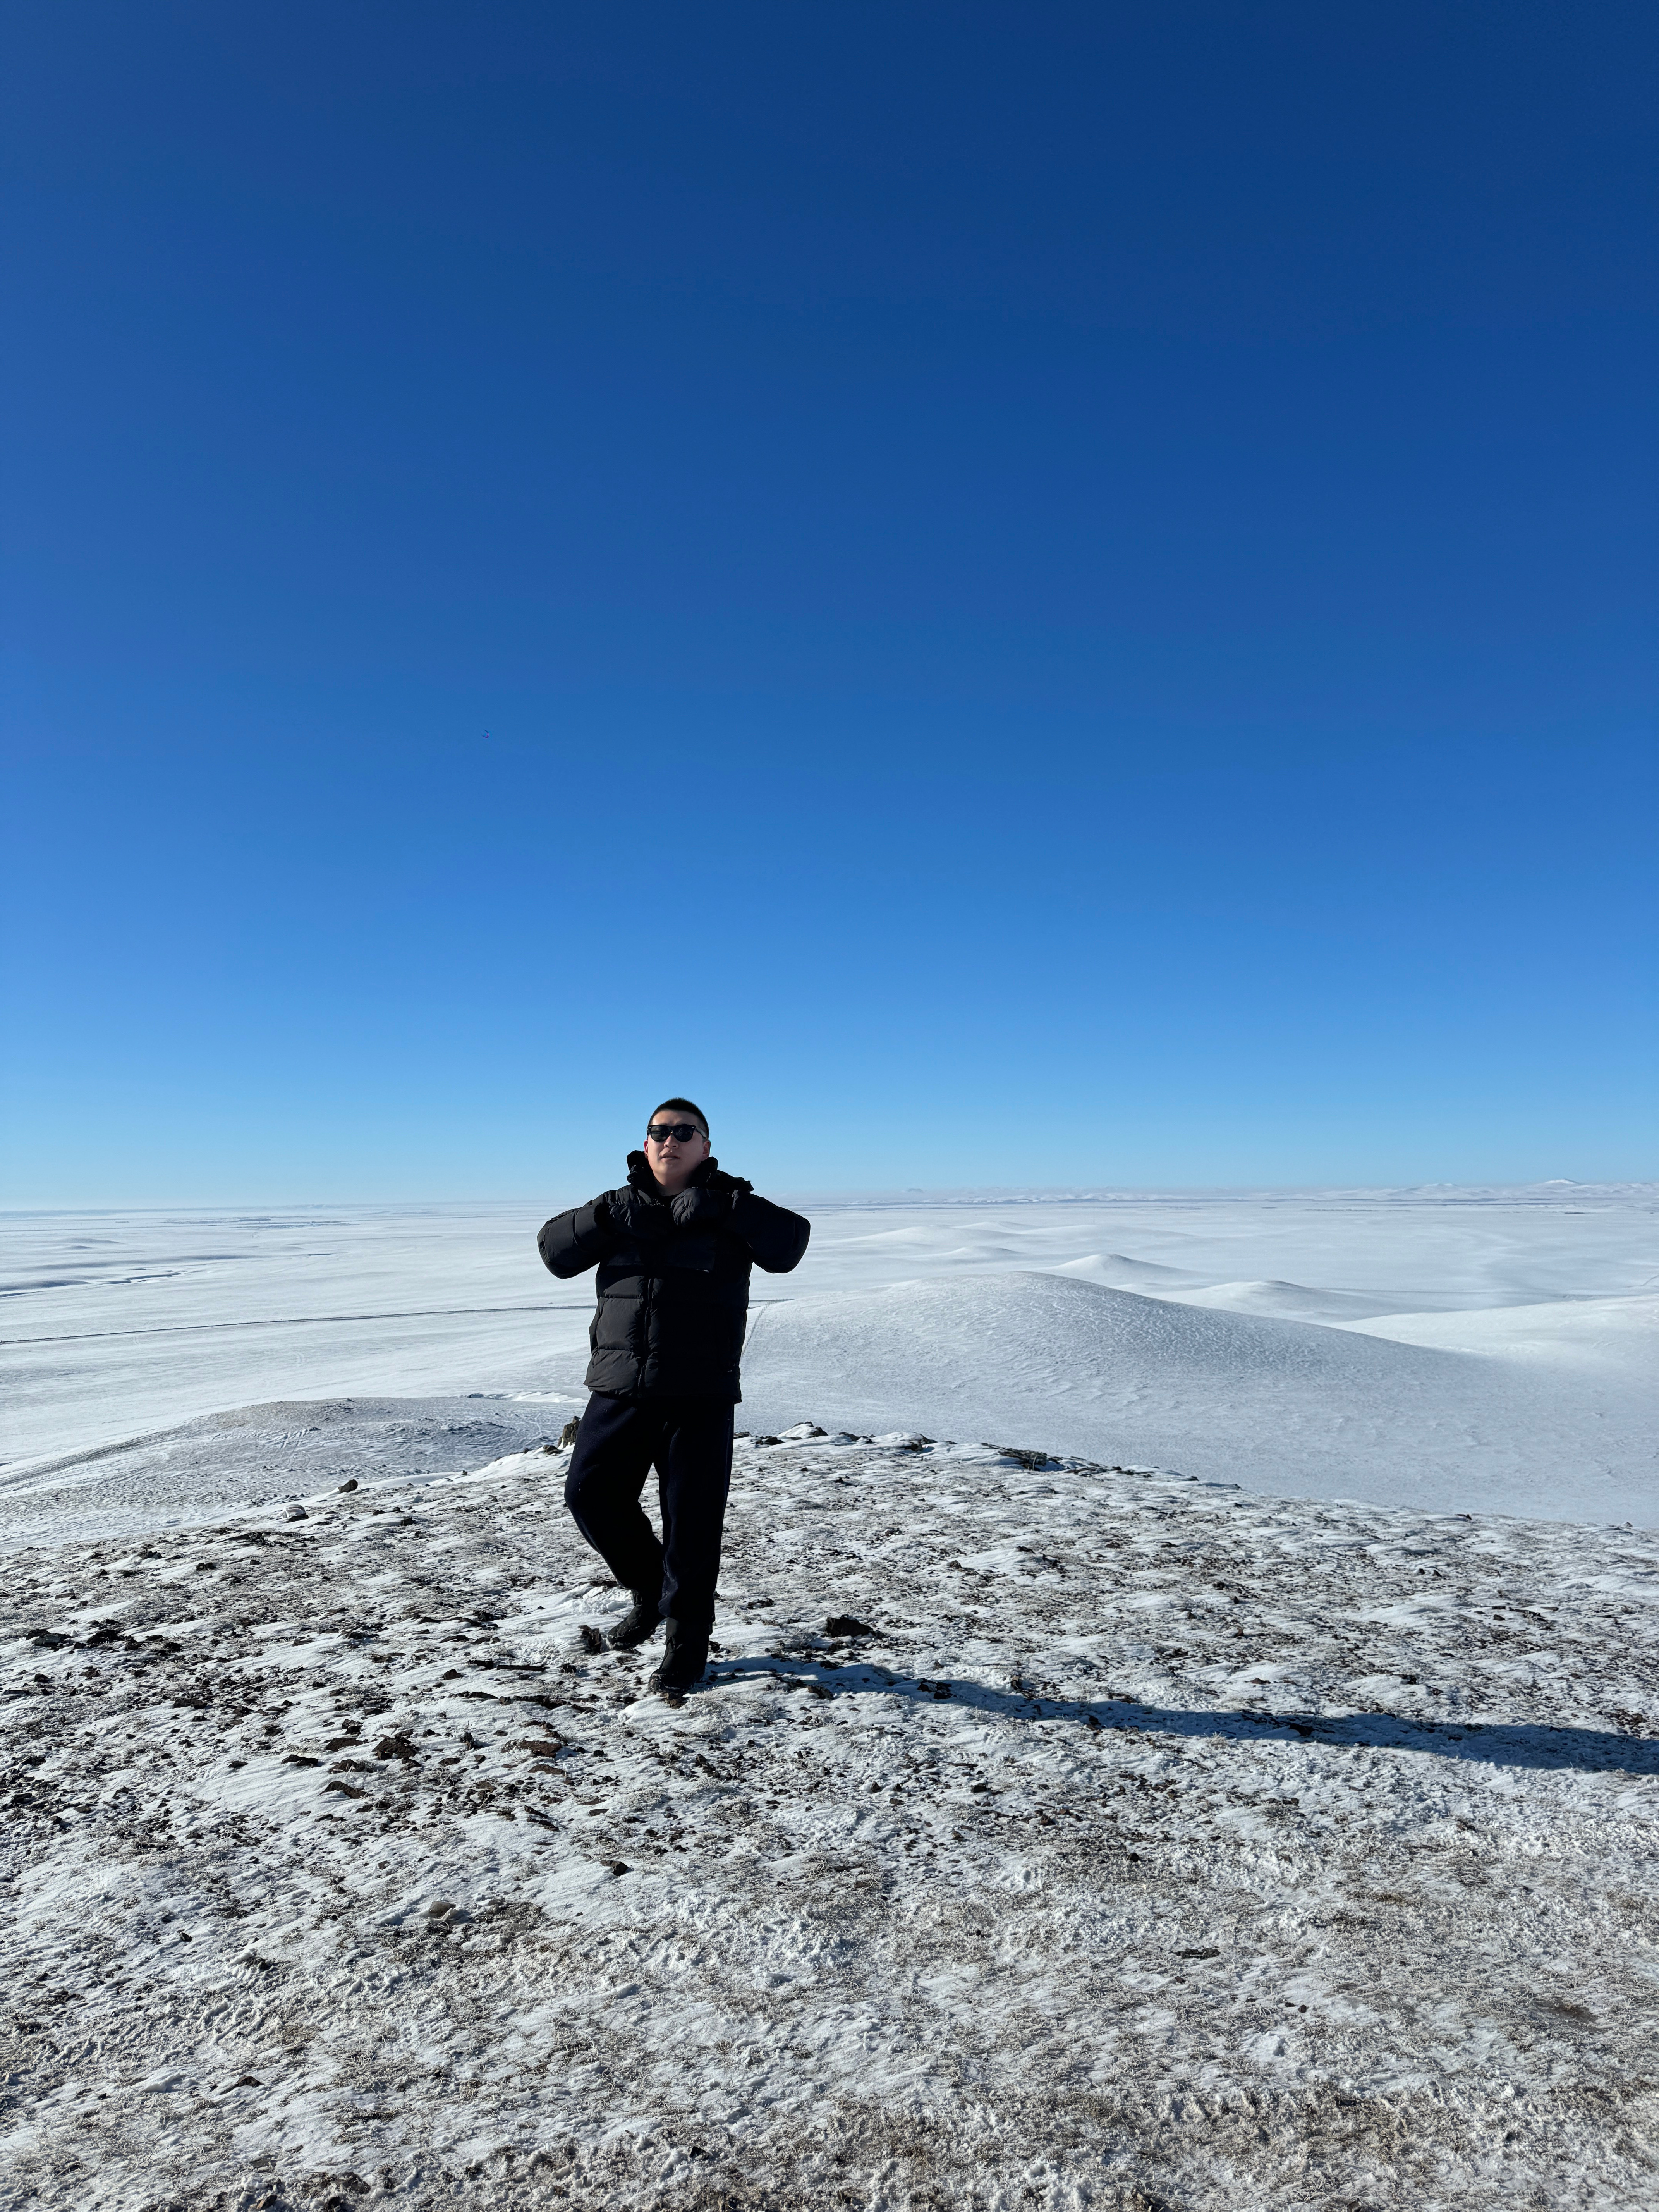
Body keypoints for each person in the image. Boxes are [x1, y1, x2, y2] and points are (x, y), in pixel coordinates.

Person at [537, 1099, 811, 1695]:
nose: (670, 1141)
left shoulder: (732, 1208)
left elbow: (790, 1247)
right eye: (659, 1132)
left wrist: (729, 1208)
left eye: (684, 1133)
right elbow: (555, 1253)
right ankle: (649, 1590)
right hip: (619, 1389)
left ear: (706, 1147)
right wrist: (607, 1214)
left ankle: (687, 1645)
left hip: (699, 1396)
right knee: (590, 1495)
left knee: (693, 1526)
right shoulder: (618, 1207)